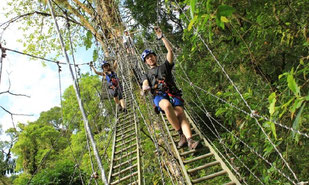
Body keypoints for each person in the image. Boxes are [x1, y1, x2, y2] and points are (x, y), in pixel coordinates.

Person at [141, 27, 200, 150]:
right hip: (159, 96)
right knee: (167, 106)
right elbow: (145, 83)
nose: (150, 59)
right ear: (146, 62)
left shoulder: (165, 67)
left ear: (155, 57)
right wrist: (145, 88)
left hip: (172, 93)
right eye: (147, 58)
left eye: (151, 56)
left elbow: (170, 51)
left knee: (180, 113)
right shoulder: (146, 74)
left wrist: (161, 37)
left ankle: (190, 141)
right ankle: (180, 134)